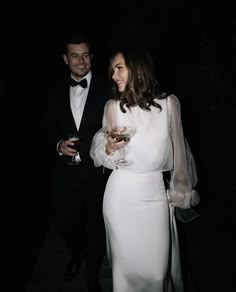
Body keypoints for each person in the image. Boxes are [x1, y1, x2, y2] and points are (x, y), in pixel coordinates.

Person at [90, 45, 200, 292]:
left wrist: (180, 191)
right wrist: (109, 147)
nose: (114, 76)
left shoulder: (169, 105)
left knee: (156, 272)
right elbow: (103, 153)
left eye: (119, 68)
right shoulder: (113, 108)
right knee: (126, 273)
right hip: (120, 198)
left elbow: (180, 153)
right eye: (112, 71)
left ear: (138, 69)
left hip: (155, 197)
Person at [44, 31, 112, 292]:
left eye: (85, 55)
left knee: (96, 223)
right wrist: (58, 146)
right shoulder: (55, 93)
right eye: (75, 56)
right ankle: (77, 251)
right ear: (65, 59)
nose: (81, 61)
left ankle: (92, 274)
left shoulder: (108, 89)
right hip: (65, 172)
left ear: (91, 57)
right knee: (64, 221)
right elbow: (47, 131)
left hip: (97, 172)